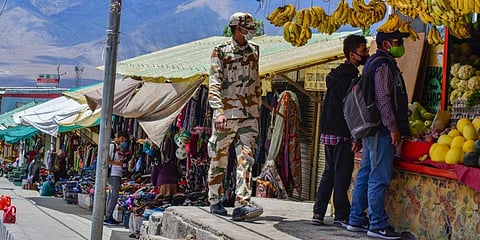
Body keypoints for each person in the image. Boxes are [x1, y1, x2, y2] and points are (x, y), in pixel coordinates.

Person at [346, 30, 410, 240]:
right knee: (378, 176)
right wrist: (393, 127)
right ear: (385, 44)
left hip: (374, 129)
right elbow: (383, 98)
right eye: (396, 41)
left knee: (366, 172)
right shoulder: (382, 65)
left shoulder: (375, 63)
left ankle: (356, 219)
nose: (400, 44)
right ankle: (377, 225)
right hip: (380, 130)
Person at [207, 12, 263, 221]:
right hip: (227, 115)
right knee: (219, 159)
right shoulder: (221, 52)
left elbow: (256, 82)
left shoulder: (255, 51)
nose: (250, 33)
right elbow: (214, 83)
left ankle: (242, 204)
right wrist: (218, 112)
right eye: (247, 28)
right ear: (237, 29)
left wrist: (257, 110)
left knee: (246, 159)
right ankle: (215, 200)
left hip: (249, 115)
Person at [312, 35, 368, 227]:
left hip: (328, 130)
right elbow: (351, 110)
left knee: (329, 171)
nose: (366, 55)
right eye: (363, 52)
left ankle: (318, 212)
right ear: (352, 55)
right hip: (342, 131)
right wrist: (355, 135)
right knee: (341, 173)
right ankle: (341, 215)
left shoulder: (336, 75)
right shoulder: (350, 78)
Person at [104, 131, 128, 225]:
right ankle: (108, 216)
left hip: (117, 173)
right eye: (123, 140)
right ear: (120, 137)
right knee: (114, 195)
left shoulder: (118, 147)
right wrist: (117, 164)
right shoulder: (112, 146)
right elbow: (106, 159)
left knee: (111, 195)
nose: (123, 142)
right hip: (113, 173)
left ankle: (108, 215)